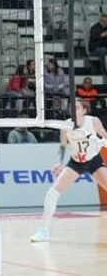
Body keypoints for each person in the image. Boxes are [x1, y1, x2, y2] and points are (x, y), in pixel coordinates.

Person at [31, 98, 107, 243]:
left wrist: (103, 142)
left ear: (84, 110)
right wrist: (58, 162)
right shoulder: (65, 125)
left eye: (77, 108)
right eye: (72, 108)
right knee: (52, 193)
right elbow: (62, 146)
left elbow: (105, 137)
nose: (73, 110)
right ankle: (43, 230)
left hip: (94, 160)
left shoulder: (94, 121)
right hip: (76, 162)